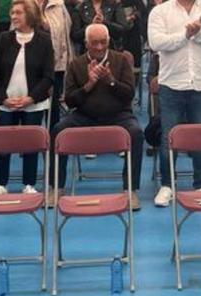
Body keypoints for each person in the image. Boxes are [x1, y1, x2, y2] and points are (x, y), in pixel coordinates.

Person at [147, 0, 201, 208]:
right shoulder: (160, 11)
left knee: (200, 137)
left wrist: (198, 34)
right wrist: (186, 34)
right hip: (171, 84)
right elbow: (156, 42)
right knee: (170, 136)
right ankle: (167, 186)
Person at [50, 24, 143, 208]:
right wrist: (89, 85)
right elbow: (70, 101)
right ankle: (56, 187)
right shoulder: (76, 64)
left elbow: (129, 94)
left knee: (136, 133)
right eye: (94, 43)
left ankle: (130, 189)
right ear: (86, 44)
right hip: (84, 115)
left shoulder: (121, 61)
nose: (99, 47)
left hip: (118, 115)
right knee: (59, 130)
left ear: (109, 42)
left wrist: (110, 81)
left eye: (103, 43)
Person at [0, 0, 54, 195]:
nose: (14, 16)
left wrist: (30, 98)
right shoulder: (4, 38)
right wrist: (3, 99)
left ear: (30, 15)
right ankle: (0, 183)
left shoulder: (43, 40)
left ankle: (29, 183)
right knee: (4, 143)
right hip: (5, 103)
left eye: (19, 12)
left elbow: (48, 77)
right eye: (12, 12)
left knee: (31, 143)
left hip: (34, 103)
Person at [26, 0, 73, 128]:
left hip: (55, 63)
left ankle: (54, 147)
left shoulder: (58, 4)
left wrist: (44, 22)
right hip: (30, 64)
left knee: (53, 110)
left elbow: (64, 32)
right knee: (32, 107)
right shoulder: (23, 4)